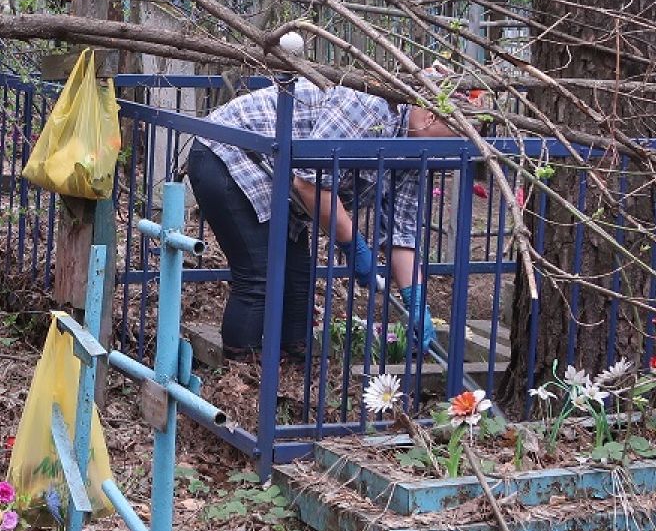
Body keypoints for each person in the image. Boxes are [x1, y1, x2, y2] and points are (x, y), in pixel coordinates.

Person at [185, 81, 456, 362]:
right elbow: (309, 186)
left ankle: (298, 358)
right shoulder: (370, 105)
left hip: (273, 174)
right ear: (430, 117)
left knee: (298, 275)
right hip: (231, 153)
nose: (443, 157)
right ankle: (242, 369)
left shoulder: (415, 149)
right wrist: (354, 245)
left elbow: (402, 230)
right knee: (260, 274)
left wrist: (416, 299)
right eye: (447, 144)